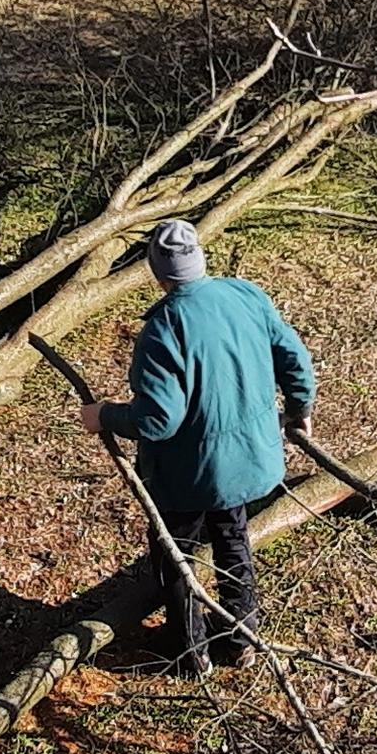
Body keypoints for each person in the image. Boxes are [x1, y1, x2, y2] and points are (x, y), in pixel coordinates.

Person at [79, 217, 315, 668]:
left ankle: (190, 652)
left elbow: (157, 420)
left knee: (176, 554)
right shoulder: (245, 295)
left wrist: (103, 415)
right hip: (250, 463)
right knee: (232, 538)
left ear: (157, 272)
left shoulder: (163, 330)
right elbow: (294, 358)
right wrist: (300, 409)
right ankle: (241, 639)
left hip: (188, 476)